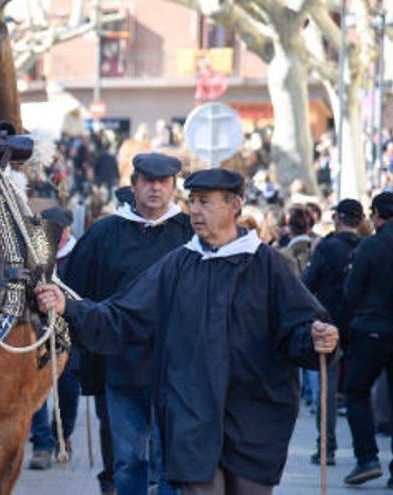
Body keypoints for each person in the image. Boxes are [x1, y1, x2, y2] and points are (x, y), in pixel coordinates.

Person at [35, 168, 339, 494]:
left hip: (255, 415)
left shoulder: (267, 265)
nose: (194, 210)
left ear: (234, 205)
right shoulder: (178, 265)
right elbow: (123, 316)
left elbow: (297, 329)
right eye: (192, 201)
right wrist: (71, 308)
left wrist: (317, 339)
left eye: (205, 202)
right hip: (191, 414)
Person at [64, 153, 191, 495]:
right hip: (120, 362)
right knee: (128, 458)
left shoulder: (191, 232)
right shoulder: (104, 233)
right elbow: (75, 291)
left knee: (171, 461)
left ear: (173, 187)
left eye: (163, 182)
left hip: (176, 366)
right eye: (147, 181)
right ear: (133, 185)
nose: (155, 188)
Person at [300, 199, 364, 467]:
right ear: (361, 221)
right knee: (360, 393)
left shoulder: (326, 247)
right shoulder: (366, 247)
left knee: (326, 389)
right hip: (362, 325)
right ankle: (367, 456)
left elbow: (306, 285)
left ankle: (326, 447)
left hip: (331, 324)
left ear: (337, 218)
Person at [342, 192, 393, 486]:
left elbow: (352, 291)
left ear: (376, 215)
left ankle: (367, 458)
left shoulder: (370, 247)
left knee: (356, 391)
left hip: (371, 328)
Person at [28, 206, 81, 470]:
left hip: (70, 332)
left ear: (69, 230)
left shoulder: (80, 253)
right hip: (37, 331)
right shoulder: (32, 252)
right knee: (35, 389)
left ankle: (63, 435)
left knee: (69, 389)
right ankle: (42, 445)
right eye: (52, 231)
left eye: (61, 231)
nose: (57, 236)